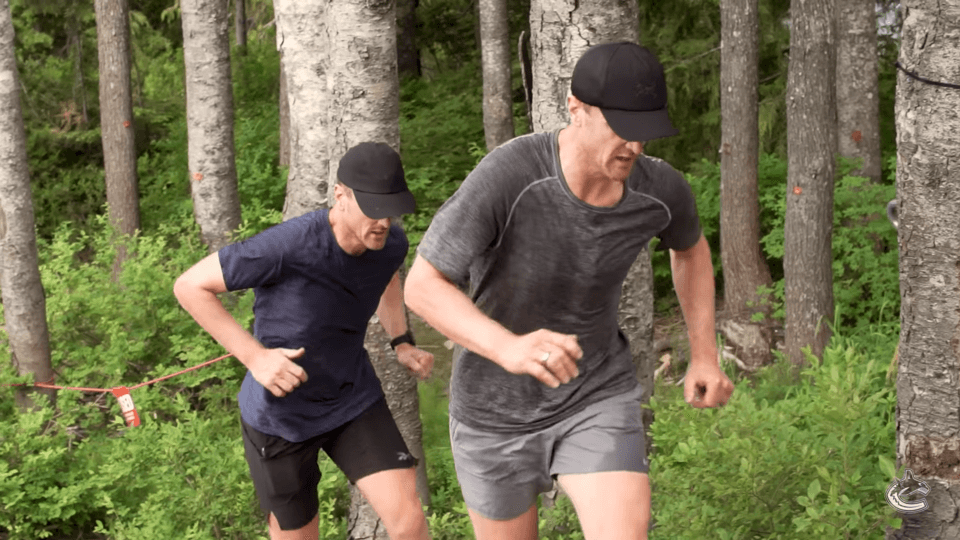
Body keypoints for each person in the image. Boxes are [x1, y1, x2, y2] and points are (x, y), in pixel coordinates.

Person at [404, 42, 734, 540]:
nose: (636, 147)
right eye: (622, 129)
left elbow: (690, 250)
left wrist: (704, 354)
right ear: (576, 109)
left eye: (646, 132)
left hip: (594, 393)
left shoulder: (660, 191)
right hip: (493, 412)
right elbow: (423, 286)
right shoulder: (511, 176)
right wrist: (509, 347)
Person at [174, 142, 434, 540]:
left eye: (391, 208)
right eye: (371, 207)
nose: (383, 220)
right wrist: (256, 359)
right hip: (281, 415)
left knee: (409, 524)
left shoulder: (389, 245)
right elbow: (190, 286)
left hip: (351, 398)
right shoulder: (287, 246)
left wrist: (401, 339)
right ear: (340, 196)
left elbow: (387, 279)